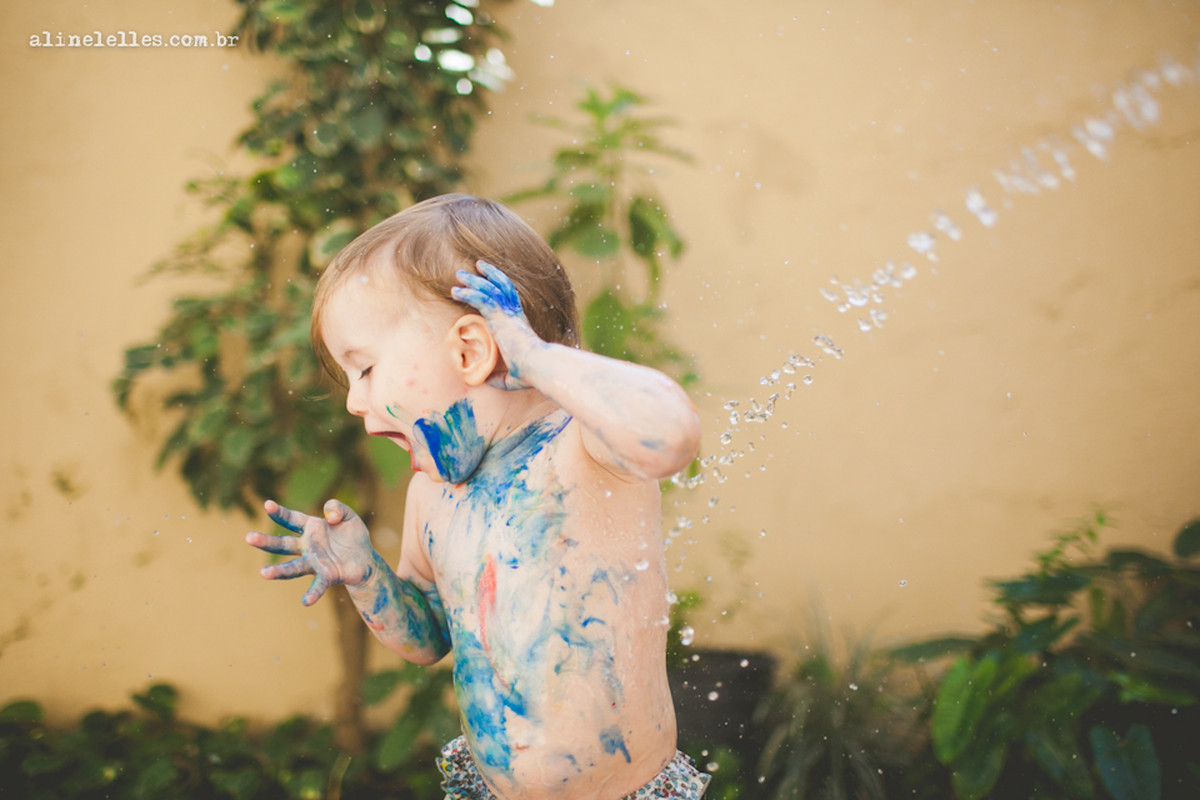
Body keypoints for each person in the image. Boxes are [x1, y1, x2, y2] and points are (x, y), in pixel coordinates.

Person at [245, 194, 709, 800]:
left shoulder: (582, 452)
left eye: (364, 369)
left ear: (471, 349)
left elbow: (669, 434)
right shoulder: (431, 498)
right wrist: (366, 576)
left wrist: (536, 357)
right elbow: (429, 636)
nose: (354, 402)